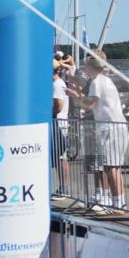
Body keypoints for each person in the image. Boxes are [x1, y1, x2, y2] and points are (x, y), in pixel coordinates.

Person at [70, 54, 128, 213]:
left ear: (92, 67)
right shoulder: (104, 80)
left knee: (111, 167)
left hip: (110, 128)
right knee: (113, 166)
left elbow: (89, 105)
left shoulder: (97, 81)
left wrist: (76, 96)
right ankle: (119, 202)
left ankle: (118, 205)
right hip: (114, 127)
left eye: (85, 66)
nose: (84, 69)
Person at [52, 67, 71, 196]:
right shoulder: (57, 84)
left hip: (59, 123)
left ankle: (65, 187)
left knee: (61, 157)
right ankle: (63, 187)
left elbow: (59, 105)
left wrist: (50, 114)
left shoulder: (57, 85)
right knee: (59, 157)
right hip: (58, 123)